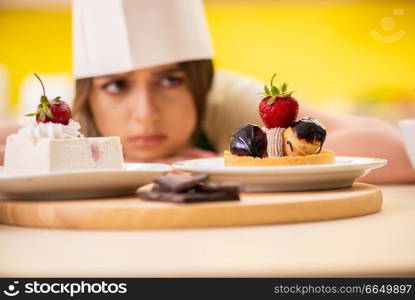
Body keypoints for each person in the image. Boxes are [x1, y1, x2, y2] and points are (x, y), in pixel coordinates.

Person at [0, 0, 414, 184]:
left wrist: (230, 164)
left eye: (170, 80)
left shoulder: (226, 98)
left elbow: (393, 150)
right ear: (88, 94)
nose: (145, 114)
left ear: (199, 83)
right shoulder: (59, 109)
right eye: (115, 86)